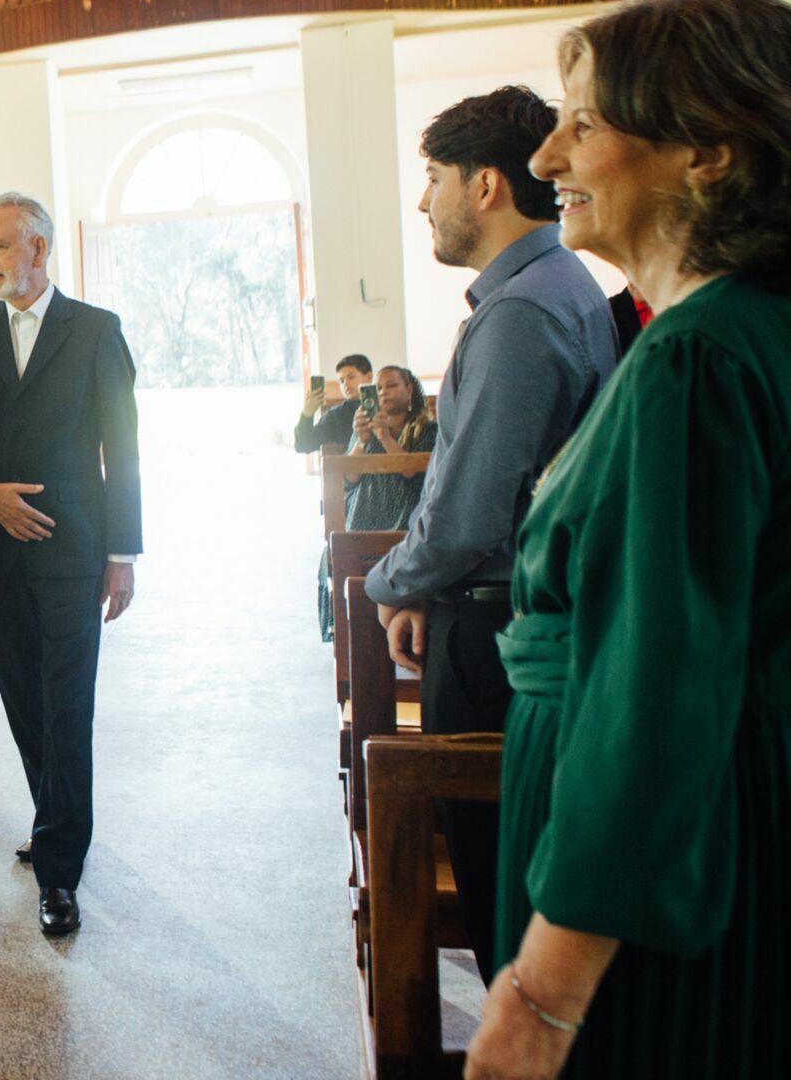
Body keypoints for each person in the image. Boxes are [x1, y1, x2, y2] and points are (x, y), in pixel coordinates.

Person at [462, 0, 791, 1080]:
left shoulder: (698, 357)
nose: (548, 157)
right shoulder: (748, 327)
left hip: (658, 878)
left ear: (708, 149)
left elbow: (654, 691)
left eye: (586, 122)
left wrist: (542, 992)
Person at [365, 86, 617, 984]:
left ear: (483, 186)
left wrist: (388, 581)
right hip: (496, 611)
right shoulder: (554, 286)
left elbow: (470, 511)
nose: (422, 200)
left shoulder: (521, 313)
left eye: (431, 178)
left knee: (501, 897)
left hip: (499, 638)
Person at [0, 192, 142, 937]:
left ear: (38, 249)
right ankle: (57, 821)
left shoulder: (95, 330)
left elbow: (124, 448)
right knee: (23, 701)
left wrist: (123, 553)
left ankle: (59, 871)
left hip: (74, 546)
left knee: (68, 703)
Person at [316, 365, 438, 640]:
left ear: (409, 390)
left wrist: (385, 436)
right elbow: (348, 477)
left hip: (405, 519)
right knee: (333, 550)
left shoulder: (428, 430)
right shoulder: (363, 429)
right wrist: (361, 440)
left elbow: (412, 473)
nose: (384, 392)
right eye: (379, 387)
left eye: (392, 385)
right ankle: (348, 633)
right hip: (364, 517)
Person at [292, 353, 372, 453]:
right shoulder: (336, 416)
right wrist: (307, 415)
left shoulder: (386, 406)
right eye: (341, 381)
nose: (346, 384)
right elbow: (303, 446)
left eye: (351, 377)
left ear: (369, 376)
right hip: (349, 467)